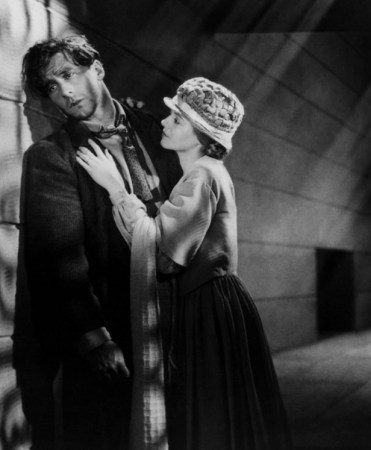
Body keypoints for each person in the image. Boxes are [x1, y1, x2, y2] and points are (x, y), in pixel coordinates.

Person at [76, 77, 293, 450]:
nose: (164, 122)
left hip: (207, 305)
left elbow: (164, 257)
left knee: (209, 412)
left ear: (200, 135)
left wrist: (115, 188)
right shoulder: (203, 172)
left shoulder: (202, 175)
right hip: (215, 298)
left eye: (176, 119)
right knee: (216, 412)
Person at [21, 35, 181, 450]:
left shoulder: (160, 130)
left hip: (179, 321)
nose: (64, 92)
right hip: (119, 326)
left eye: (68, 74)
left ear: (98, 68)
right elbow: (59, 260)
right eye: (51, 86)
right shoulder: (52, 156)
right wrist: (93, 337)